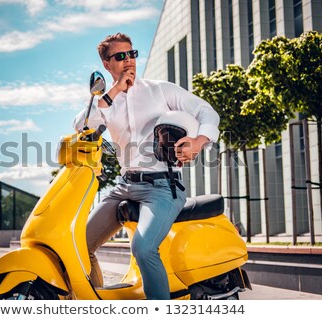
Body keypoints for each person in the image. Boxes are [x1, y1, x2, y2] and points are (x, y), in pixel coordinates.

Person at [73, 33, 220, 300]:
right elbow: (83, 126)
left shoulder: (160, 90)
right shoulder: (105, 100)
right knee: (78, 244)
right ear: (107, 64)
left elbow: (206, 111)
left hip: (162, 187)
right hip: (124, 186)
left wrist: (199, 141)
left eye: (132, 54)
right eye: (120, 56)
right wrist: (115, 90)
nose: (129, 60)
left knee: (143, 248)